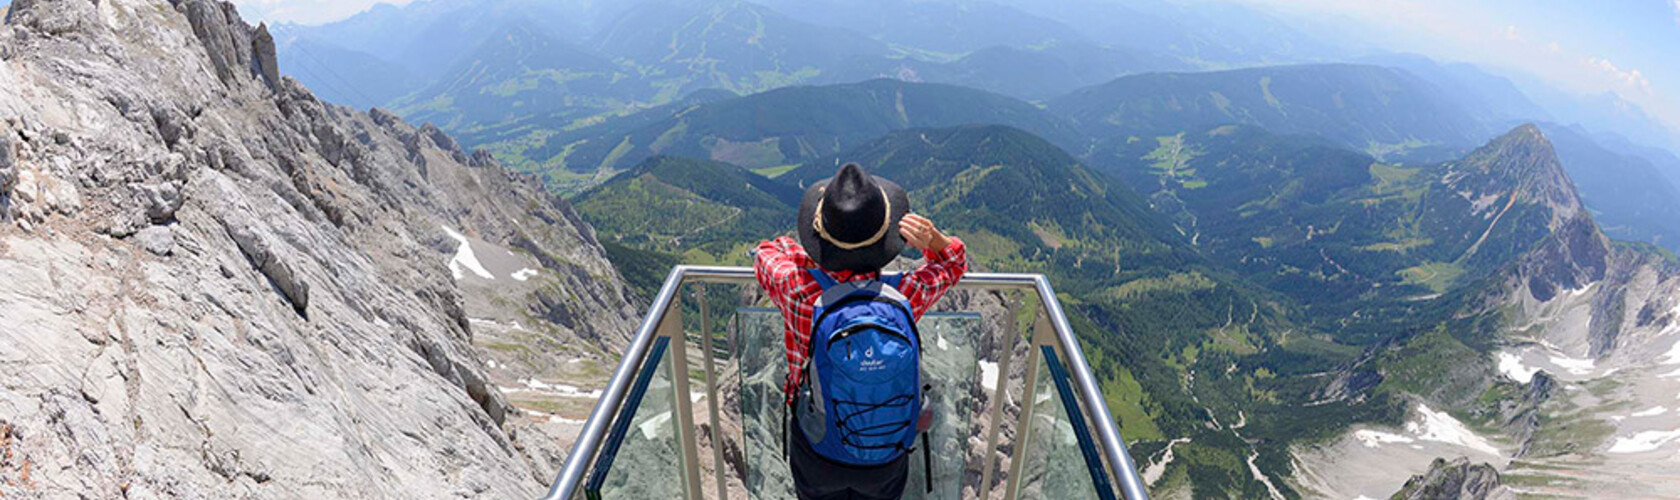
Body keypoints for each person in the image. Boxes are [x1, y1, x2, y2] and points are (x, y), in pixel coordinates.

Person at [753, 163, 968, 500]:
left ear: (820, 238)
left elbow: (768, 252)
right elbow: (953, 264)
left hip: (816, 447)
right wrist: (935, 241)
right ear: (886, 239)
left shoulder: (796, 288)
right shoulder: (904, 295)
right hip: (886, 451)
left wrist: (810, 258)